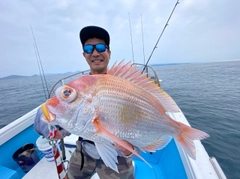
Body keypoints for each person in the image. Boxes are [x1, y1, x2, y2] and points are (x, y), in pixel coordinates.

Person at [34, 26, 135, 179]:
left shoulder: (126, 87)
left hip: (117, 154)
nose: (95, 53)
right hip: (85, 150)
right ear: (84, 55)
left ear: (109, 52)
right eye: (89, 49)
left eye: (101, 47)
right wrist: (52, 127)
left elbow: (140, 130)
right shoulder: (78, 88)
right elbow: (62, 123)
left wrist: (129, 150)